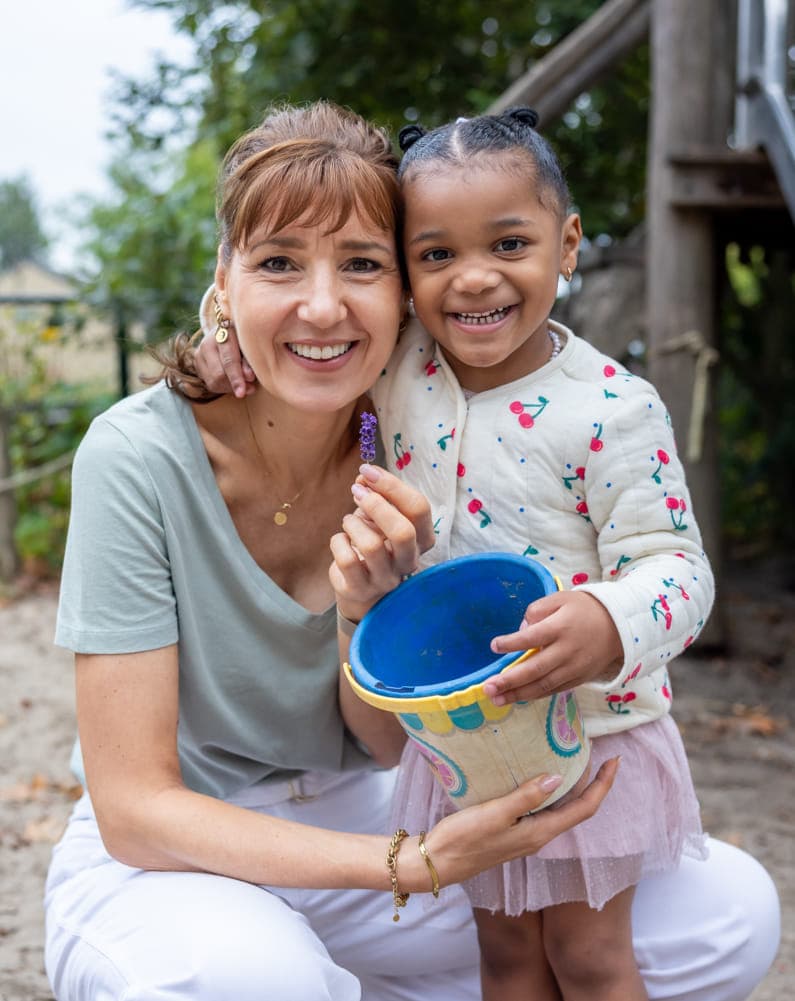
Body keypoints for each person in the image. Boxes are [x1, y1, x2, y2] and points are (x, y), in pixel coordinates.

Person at [196, 106, 781, 1001]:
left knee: (588, 959)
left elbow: (680, 569)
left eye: (508, 244)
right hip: (460, 739)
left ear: (568, 243)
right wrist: (225, 338)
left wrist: (609, 616)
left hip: (588, 735)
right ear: (405, 273)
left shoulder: (612, 409)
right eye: (434, 255)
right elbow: (308, 333)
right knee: (504, 962)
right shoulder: (401, 371)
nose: (472, 280)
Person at [44, 99, 621, 1001]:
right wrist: (416, 859)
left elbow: (389, 749)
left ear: (402, 293)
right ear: (225, 283)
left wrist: (364, 615)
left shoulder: (417, 439)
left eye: (360, 264)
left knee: (717, 915)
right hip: (172, 858)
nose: (322, 305)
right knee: (250, 979)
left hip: (365, 809)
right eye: (279, 263)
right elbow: (134, 810)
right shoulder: (137, 453)